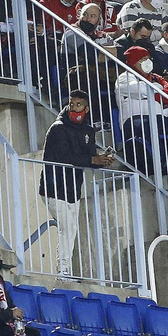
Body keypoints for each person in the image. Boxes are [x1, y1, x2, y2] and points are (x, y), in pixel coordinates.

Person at [38, 89, 115, 278]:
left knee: (71, 228)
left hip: (73, 189)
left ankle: (66, 269)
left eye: (78, 105)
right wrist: (92, 160)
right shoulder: (57, 128)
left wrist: (101, 160)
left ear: (86, 109)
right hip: (53, 188)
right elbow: (66, 157)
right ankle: (63, 270)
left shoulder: (87, 131)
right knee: (68, 227)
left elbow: (88, 157)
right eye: (71, 104)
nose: (73, 108)